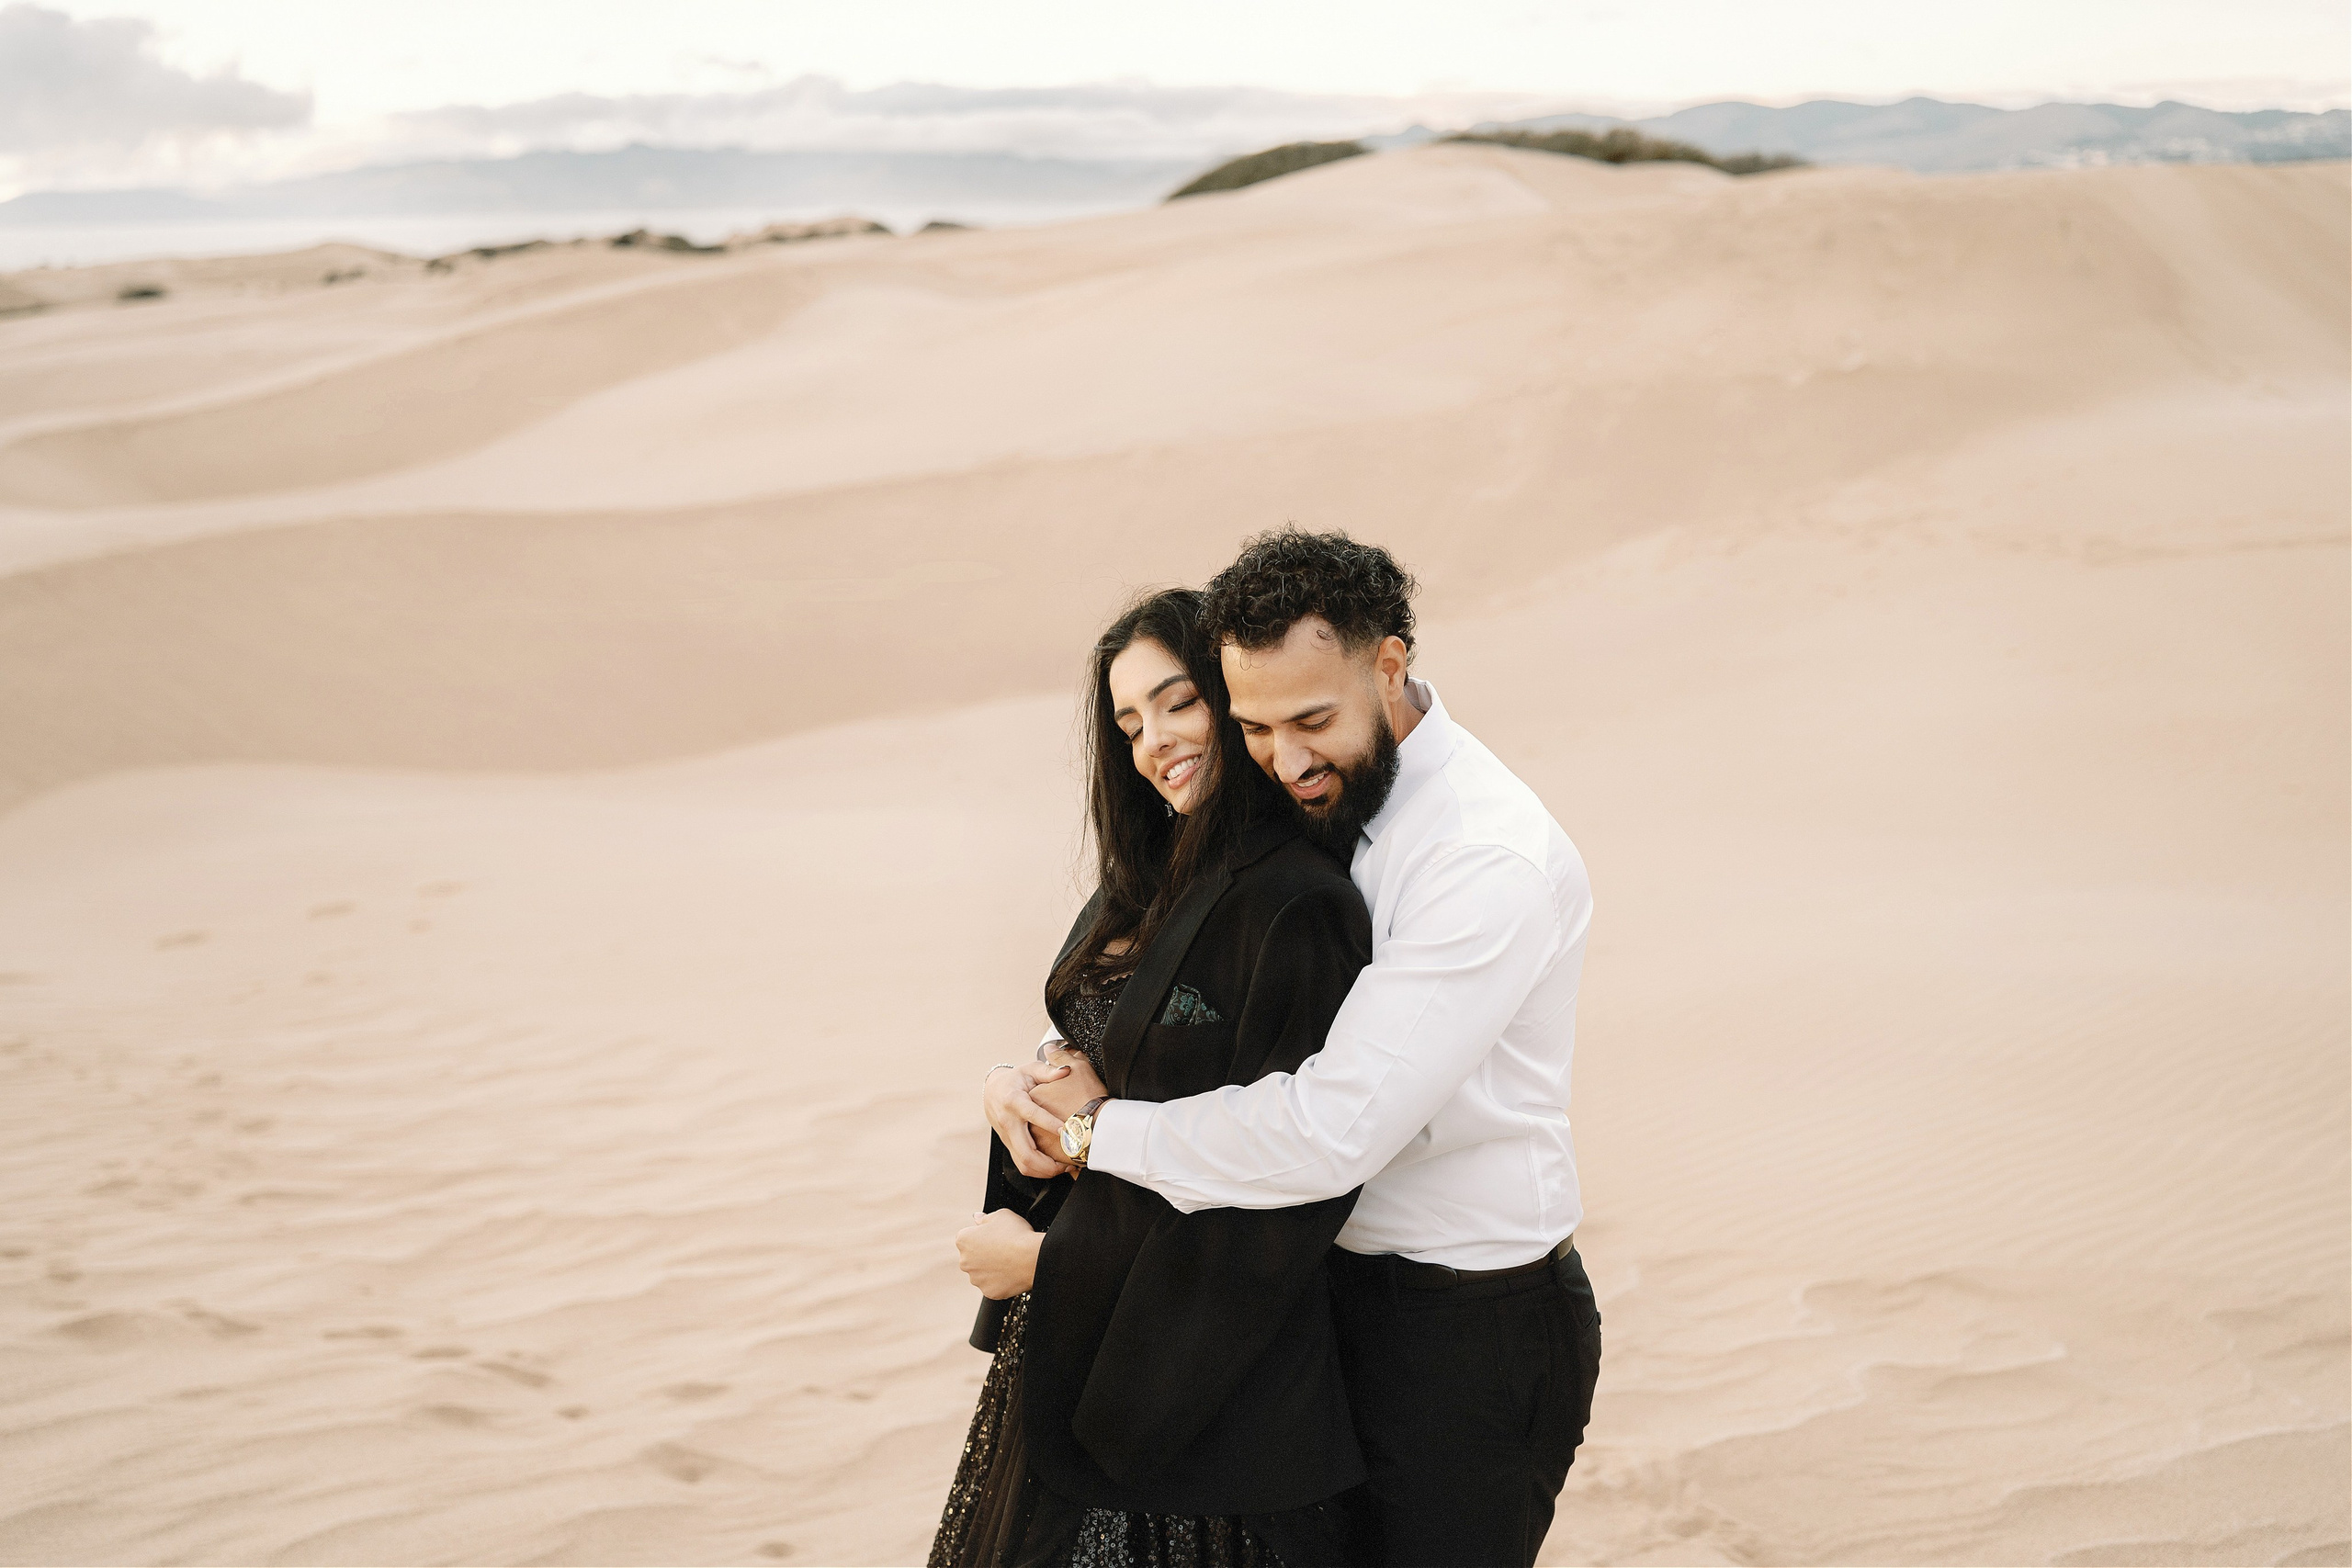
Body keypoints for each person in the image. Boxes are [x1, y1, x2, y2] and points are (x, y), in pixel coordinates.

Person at [996, 531, 1601, 1568]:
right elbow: (1190, 953)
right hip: (1310, 1300)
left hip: (1462, 1326)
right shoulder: (1314, 793)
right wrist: (1047, 1062)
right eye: (1256, 726)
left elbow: (1333, 1130)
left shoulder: (1479, 856)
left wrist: (1096, 1134)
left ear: (1389, 664)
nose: (1285, 760)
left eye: (1312, 720)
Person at [932, 587, 1373, 1568]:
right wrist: (1016, 1084)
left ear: (1234, 697)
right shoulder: (1149, 873)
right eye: (1129, 722)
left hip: (1206, 1407)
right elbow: (1114, 1060)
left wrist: (1050, 1268)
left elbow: (1286, 1198)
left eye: (1178, 703)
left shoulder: (1297, 906)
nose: (1153, 741)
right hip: (1083, 1365)